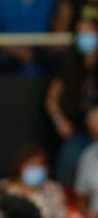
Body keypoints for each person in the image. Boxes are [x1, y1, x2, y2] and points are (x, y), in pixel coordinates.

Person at [47, 16, 98, 184]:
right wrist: (59, 120)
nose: (84, 35)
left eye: (88, 31)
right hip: (76, 129)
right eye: (80, 32)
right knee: (67, 168)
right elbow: (52, 98)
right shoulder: (68, 61)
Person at [5, 146, 70, 218]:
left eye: (40, 165)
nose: (35, 168)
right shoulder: (7, 191)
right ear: (20, 166)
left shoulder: (53, 191)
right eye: (31, 164)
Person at [0, 0, 58, 74]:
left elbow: (57, 31)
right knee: (1, 60)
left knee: (57, 59)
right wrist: (17, 51)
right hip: (8, 49)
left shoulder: (49, 2)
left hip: (41, 49)